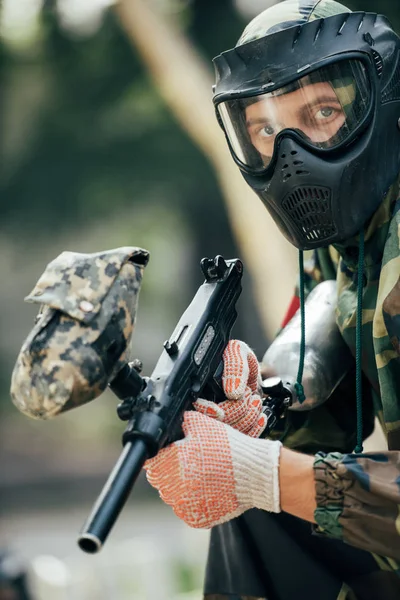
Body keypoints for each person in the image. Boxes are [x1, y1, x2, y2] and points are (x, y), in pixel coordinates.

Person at [144, 1, 400, 598]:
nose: (292, 155)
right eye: (265, 129)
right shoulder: (355, 231)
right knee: (257, 511)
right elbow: (330, 427)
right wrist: (260, 413)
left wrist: (262, 472)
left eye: (324, 112)